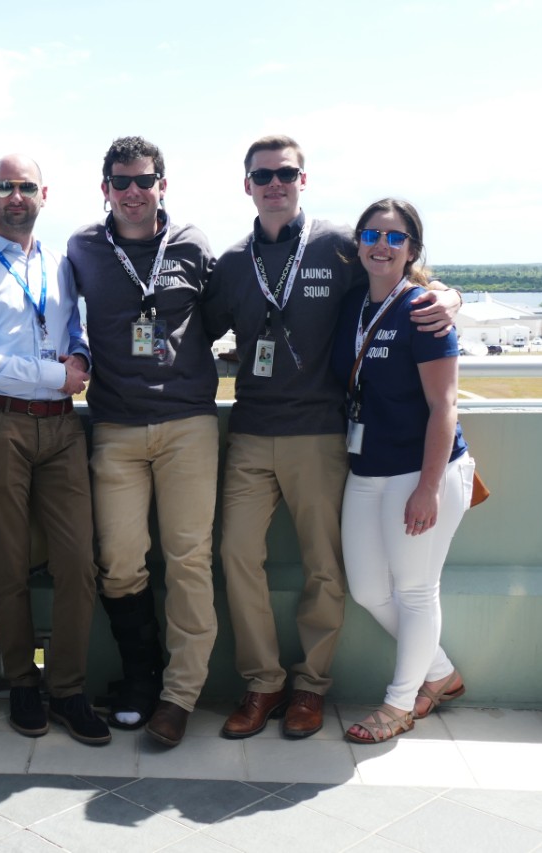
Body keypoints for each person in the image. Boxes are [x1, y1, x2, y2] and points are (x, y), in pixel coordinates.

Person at [203, 135, 461, 740]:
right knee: (237, 555)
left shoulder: (340, 244)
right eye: (262, 174)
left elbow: (398, 270)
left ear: (302, 179)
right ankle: (262, 681)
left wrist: (448, 296)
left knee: (326, 566)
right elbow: (192, 324)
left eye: (286, 173)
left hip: (321, 434)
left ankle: (310, 687)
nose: (275, 183)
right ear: (246, 184)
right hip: (250, 431)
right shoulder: (235, 262)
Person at [0, 154, 110, 746]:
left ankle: (66, 688)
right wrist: (52, 374)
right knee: (9, 566)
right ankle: (22, 681)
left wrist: (81, 358)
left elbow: (73, 331)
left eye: (27, 188)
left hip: (62, 428)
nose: (17, 197)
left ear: (45, 193)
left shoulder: (61, 264)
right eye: (6, 188)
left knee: (78, 565)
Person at [66, 136, 218, 747]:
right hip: (115, 426)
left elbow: (237, 308)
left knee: (188, 561)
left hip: (187, 424)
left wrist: (435, 293)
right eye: (121, 182)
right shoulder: (80, 248)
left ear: (163, 184)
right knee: (121, 562)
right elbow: (47, 314)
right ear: (105, 189)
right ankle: (140, 676)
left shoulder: (191, 243)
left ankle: (179, 695)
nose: (134, 192)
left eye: (144, 181)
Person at [332, 199, 473, 744]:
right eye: (371, 234)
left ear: (412, 249)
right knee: (368, 590)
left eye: (394, 238)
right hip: (367, 467)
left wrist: (429, 489)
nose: (381, 245)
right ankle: (440, 674)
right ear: (359, 244)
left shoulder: (424, 311)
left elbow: (445, 407)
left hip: (421, 470)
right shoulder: (352, 306)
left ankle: (398, 705)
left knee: (415, 590)